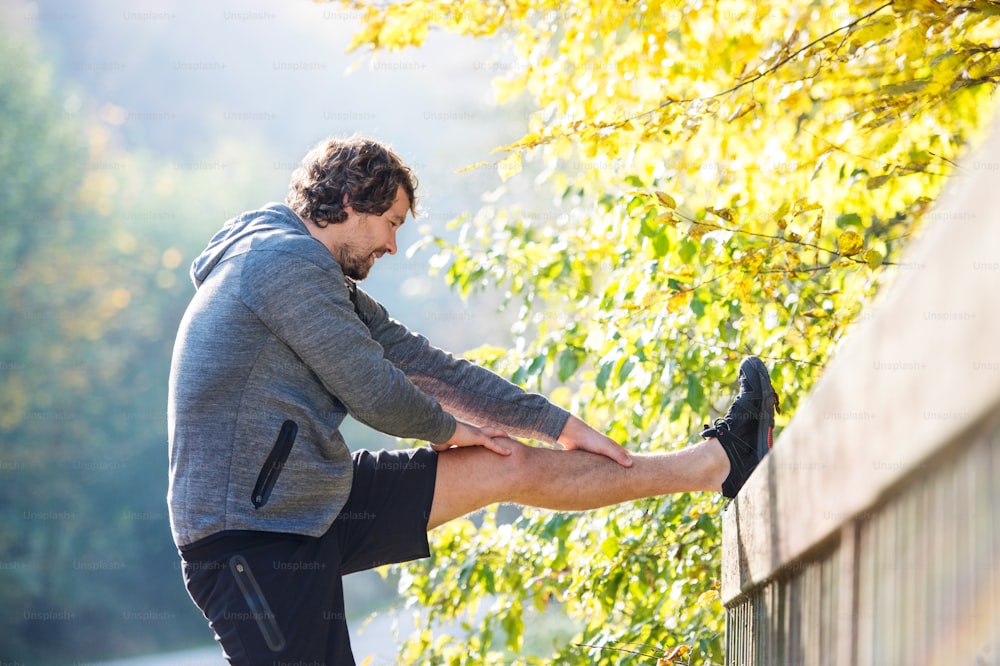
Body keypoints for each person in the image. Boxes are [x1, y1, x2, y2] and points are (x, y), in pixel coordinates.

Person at [167, 136, 778, 664]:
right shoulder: (281, 266)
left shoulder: (311, 271)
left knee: (506, 463)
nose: (392, 247)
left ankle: (718, 462)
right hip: (248, 537)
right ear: (352, 203)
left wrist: (554, 421)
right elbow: (375, 392)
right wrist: (451, 431)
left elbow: (423, 365)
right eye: (392, 224)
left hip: (308, 496)